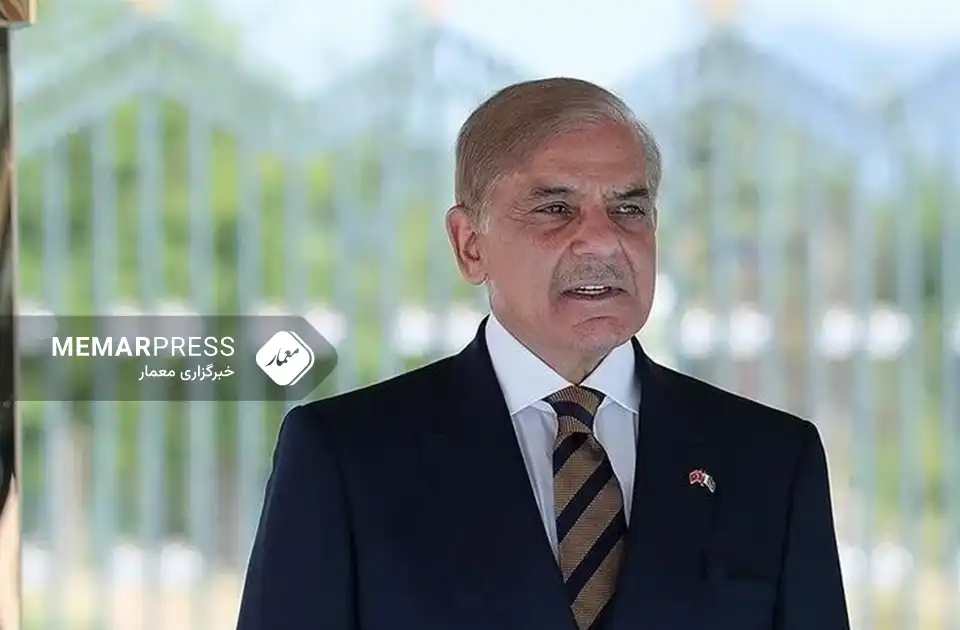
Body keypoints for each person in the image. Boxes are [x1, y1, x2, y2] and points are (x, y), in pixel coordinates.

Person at [235, 77, 850, 630]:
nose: (601, 240)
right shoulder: (347, 459)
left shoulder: (770, 461)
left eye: (628, 208)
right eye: (556, 209)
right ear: (470, 244)